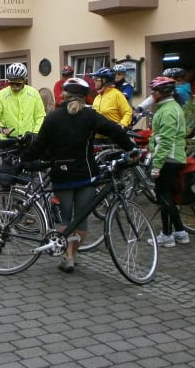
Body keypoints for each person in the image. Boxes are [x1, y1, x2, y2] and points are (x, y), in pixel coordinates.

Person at [24, 77, 136, 273]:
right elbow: (115, 131)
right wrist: (131, 148)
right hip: (86, 175)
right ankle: (72, 255)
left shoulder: (52, 117)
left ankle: (66, 256)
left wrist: (24, 160)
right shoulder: (90, 116)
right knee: (81, 220)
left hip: (61, 175)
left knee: (64, 219)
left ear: (64, 95)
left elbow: (39, 146)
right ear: (85, 97)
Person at [146, 76, 189, 248]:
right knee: (168, 197)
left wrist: (156, 166)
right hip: (174, 157)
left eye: (154, 91)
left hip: (168, 159)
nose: (151, 94)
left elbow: (165, 141)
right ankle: (180, 232)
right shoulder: (172, 107)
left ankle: (167, 235)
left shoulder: (167, 111)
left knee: (163, 198)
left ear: (161, 93)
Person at [0, 63, 45, 138]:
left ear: (24, 80)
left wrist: (35, 133)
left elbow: (40, 116)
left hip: (28, 141)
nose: (14, 87)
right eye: (11, 83)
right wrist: (0, 128)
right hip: (7, 142)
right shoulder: (1, 95)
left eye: (18, 84)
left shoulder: (34, 93)